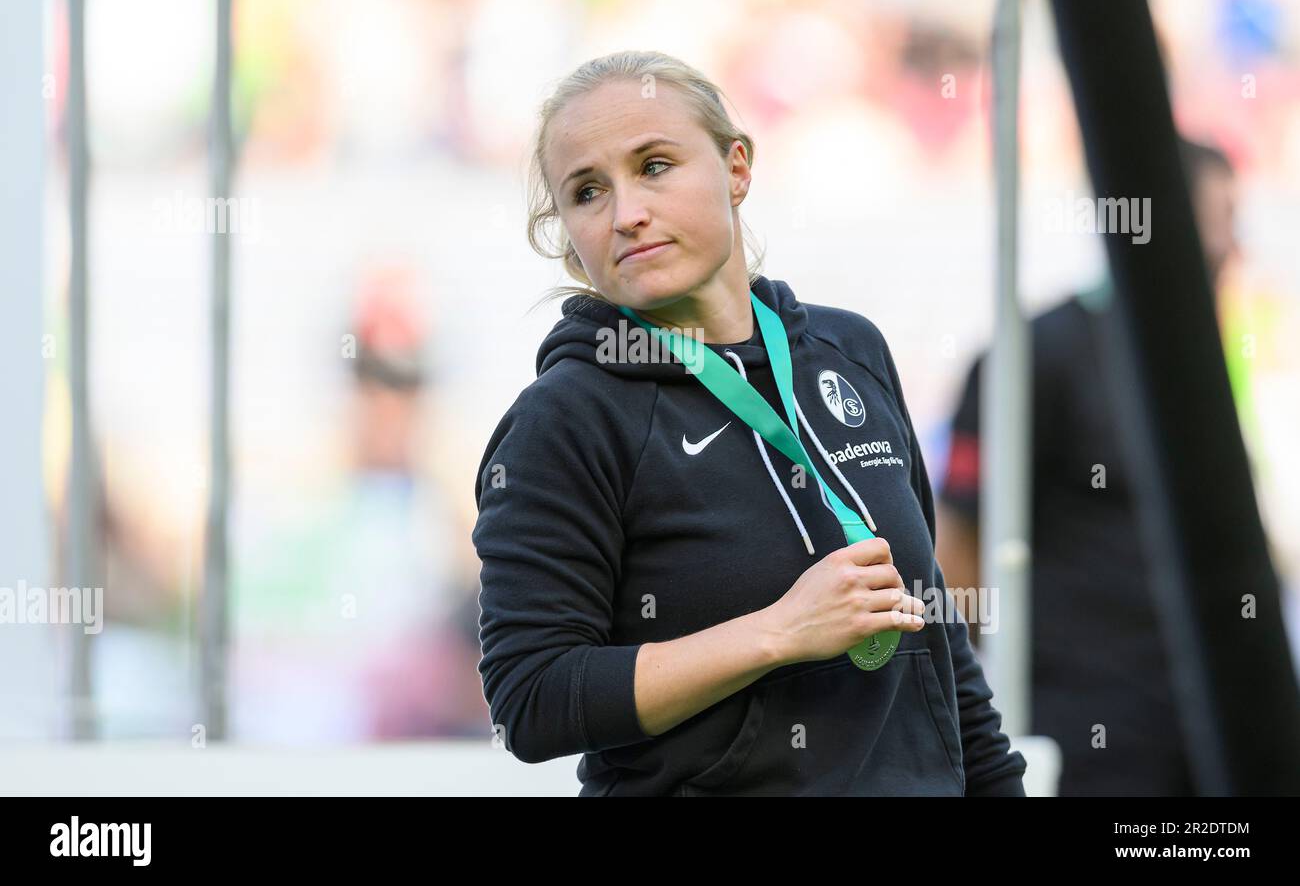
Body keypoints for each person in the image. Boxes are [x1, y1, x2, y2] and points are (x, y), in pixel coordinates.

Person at [471, 50, 1026, 796]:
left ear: (737, 168)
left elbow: (937, 645)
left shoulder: (848, 350)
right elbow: (532, 699)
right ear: (568, 233)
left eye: (655, 165)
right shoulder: (565, 418)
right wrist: (776, 634)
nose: (627, 212)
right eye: (588, 191)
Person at [934, 137, 1241, 796]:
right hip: (1090, 722)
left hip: (1211, 716)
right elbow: (957, 547)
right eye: (1217, 224)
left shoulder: (1217, 355)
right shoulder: (1036, 355)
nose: (1230, 249)